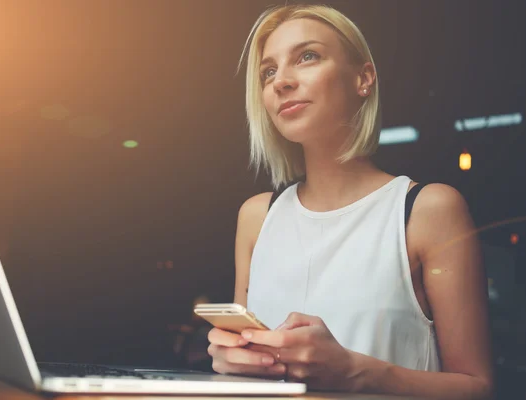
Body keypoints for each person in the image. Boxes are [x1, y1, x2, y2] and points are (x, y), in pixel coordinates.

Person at [207, 4, 494, 399]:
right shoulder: (257, 216)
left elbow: (477, 389)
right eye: (268, 71)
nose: (281, 82)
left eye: (307, 56)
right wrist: (231, 363)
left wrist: (356, 373)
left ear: (364, 78)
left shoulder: (427, 210)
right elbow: (246, 365)